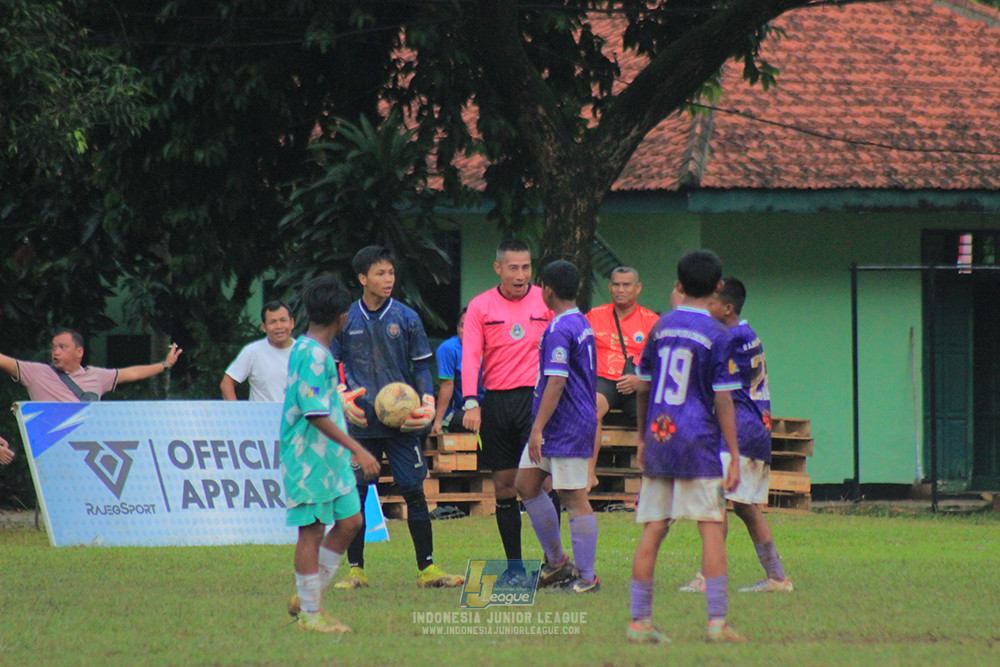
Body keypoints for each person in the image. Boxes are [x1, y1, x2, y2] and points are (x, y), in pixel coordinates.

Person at [628, 250, 746, 644]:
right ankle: (716, 623)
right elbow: (724, 400)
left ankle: (639, 622)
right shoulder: (718, 335)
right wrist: (731, 451)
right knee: (711, 527)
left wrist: (643, 437)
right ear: (718, 287)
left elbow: (643, 387)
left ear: (678, 285)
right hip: (698, 441)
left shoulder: (660, 328)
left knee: (653, 529)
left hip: (660, 437)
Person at [331, 245, 464, 589]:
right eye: (380, 273)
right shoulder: (346, 319)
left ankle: (428, 570)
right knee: (356, 495)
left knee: (414, 491)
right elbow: (332, 368)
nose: (388, 279)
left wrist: (429, 402)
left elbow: (421, 366)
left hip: (403, 422)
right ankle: (356, 570)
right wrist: (342, 398)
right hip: (361, 423)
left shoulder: (406, 317)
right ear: (363, 279)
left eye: (391, 272)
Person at [280, 274, 381, 634]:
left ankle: (308, 597)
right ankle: (310, 614)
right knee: (311, 531)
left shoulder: (314, 351)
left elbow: (320, 403)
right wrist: (358, 448)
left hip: (329, 458)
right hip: (307, 458)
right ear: (342, 317)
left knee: (351, 522)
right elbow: (313, 413)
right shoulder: (313, 356)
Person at [679, 277, 793, 594]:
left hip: (739, 430)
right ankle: (776, 577)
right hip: (756, 428)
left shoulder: (731, 339)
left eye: (711, 302)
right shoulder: (744, 333)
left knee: (716, 503)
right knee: (744, 506)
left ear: (727, 308)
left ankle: (708, 577)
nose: (706, 306)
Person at [462, 239, 553, 571]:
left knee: (542, 481)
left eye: (526, 266)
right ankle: (514, 566)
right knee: (504, 484)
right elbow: (471, 355)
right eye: (513, 268)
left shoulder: (546, 301)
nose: (521, 275)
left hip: (536, 400)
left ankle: (552, 561)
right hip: (497, 402)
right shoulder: (480, 306)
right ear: (498, 268)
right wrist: (471, 400)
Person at [515, 260, 600, 594]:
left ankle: (587, 578)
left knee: (573, 498)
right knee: (526, 484)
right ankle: (556, 562)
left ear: (546, 290)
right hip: (558, 426)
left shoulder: (560, 329)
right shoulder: (579, 323)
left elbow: (556, 381)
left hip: (565, 426)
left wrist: (537, 429)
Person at [585, 267, 659, 488]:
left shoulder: (651, 321)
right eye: (616, 284)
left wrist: (641, 381)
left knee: (658, 417)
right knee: (592, 408)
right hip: (603, 379)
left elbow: (663, 362)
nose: (620, 289)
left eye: (626, 285)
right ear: (609, 288)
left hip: (637, 383)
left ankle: (658, 481)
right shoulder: (594, 316)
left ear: (638, 289)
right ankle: (589, 475)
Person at [0, 329, 182, 402]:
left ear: (79, 352)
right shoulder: (36, 373)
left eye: (62, 348)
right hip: (51, 455)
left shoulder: (97, 376)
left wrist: (165, 365)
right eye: (54, 347)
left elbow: (131, 373)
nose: (56, 352)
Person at [220, 301, 296, 402]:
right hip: (262, 416)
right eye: (273, 322)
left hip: (297, 417)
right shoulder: (252, 351)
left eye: (283, 320)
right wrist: (235, 412)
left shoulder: (304, 351)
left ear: (292, 323)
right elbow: (227, 383)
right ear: (264, 327)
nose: (279, 326)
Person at [430, 308, 478, 435]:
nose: (467, 331)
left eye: (472, 326)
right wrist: (438, 421)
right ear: (457, 328)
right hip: (458, 412)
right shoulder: (448, 349)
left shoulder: (492, 346)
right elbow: (447, 385)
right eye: (463, 326)